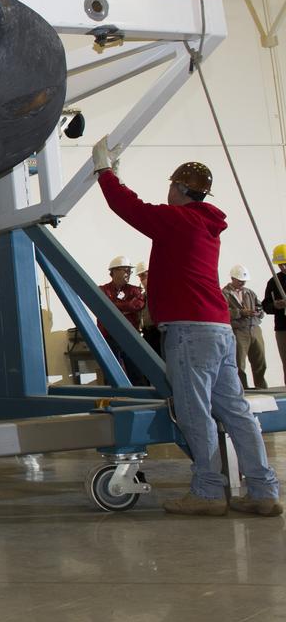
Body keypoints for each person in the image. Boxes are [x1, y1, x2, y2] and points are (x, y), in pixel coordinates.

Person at [94, 141, 281, 516]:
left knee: (194, 411)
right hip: (218, 330)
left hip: (190, 332)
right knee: (236, 411)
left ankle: (208, 492)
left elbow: (130, 208)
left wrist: (106, 174)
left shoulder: (180, 221)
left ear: (178, 189)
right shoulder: (205, 226)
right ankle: (263, 490)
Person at [97, 255, 147, 386]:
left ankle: (141, 401)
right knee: (111, 375)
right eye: (125, 270)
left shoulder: (135, 290)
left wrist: (113, 306)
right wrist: (126, 307)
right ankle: (114, 400)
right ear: (114, 271)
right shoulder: (102, 290)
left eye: (129, 270)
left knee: (136, 373)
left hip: (130, 337)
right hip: (109, 338)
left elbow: (138, 305)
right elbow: (101, 307)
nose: (129, 273)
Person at [223, 265, 267, 390]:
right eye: (239, 280)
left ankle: (262, 387)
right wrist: (240, 313)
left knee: (260, 360)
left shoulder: (249, 292)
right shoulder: (224, 294)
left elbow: (260, 307)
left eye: (244, 281)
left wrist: (258, 313)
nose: (242, 283)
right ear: (232, 278)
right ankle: (242, 389)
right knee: (239, 362)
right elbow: (223, 312)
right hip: (238, 331)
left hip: (254, 329)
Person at [263, 245, 286, 380]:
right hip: (282, 328)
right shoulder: (273, 282)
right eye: (280, 264)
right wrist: (275, 306)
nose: (282, 267)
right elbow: (265, 305)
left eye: (285, 263)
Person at [135, 261, 163, 359]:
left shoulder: (160, 292)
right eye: (140, 277)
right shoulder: (142, 297)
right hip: (147, 333)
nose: (142, 280)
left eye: (144, 275)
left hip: (159, 332)